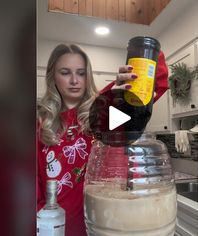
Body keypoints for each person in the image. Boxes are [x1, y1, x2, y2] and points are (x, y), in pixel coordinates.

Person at [37, 43, 168, 236]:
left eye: (81, 73)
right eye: (65, 72)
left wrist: (141, 54)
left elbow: (157, 81)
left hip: (112, 224)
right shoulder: (40, 124)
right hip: (59, 228)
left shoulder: (105, 108)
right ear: (52, 77)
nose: (74, 80)